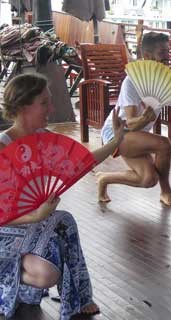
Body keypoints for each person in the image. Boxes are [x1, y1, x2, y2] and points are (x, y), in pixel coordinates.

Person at [0, 73, 125, 319]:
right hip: (6, 229)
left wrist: (116, 141)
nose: (52, 108)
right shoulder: (2, 147)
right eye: (45, 102)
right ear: (24, 106)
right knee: (46, 272)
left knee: (63, 221)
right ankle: (7, 279)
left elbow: (81, 163)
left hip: (33, 222)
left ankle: (78, 296)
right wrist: (34, 215)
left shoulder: (43, 138)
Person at [97, 32, 171, 206]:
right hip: (117, 134)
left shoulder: (161, 79)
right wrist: (144, 120)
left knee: (148, 179)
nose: (167, 57)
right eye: (162, 52)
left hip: (136, 136)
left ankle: (104, 179)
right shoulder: (131, 82)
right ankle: (166, 192)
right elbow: (130, 122)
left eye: (168, 52)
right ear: (147, 56)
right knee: (164, 144)